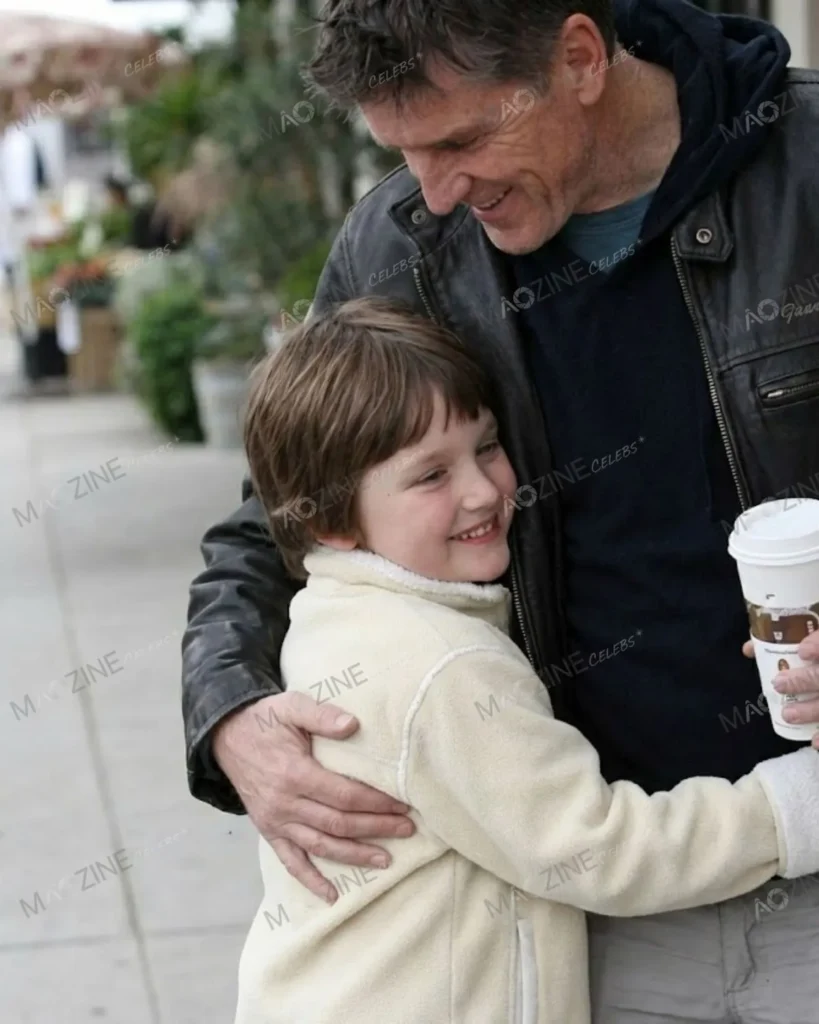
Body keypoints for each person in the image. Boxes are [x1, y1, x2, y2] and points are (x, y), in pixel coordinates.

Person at [182, 0, 819, 1019]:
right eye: (404, 152)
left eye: (462, 139)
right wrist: (228, 710)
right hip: (580, 928)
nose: (433, 192)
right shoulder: (401, 242)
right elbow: (282, 514)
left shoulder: (805, 168)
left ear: (577, 58)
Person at [233, 296, 819, 1024]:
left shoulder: (344, 614)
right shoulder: (437, 662)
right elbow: (595, 848)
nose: (482, 490)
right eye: (429, 476)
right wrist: (794, 805)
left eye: (484, 446)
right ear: (325, 517)